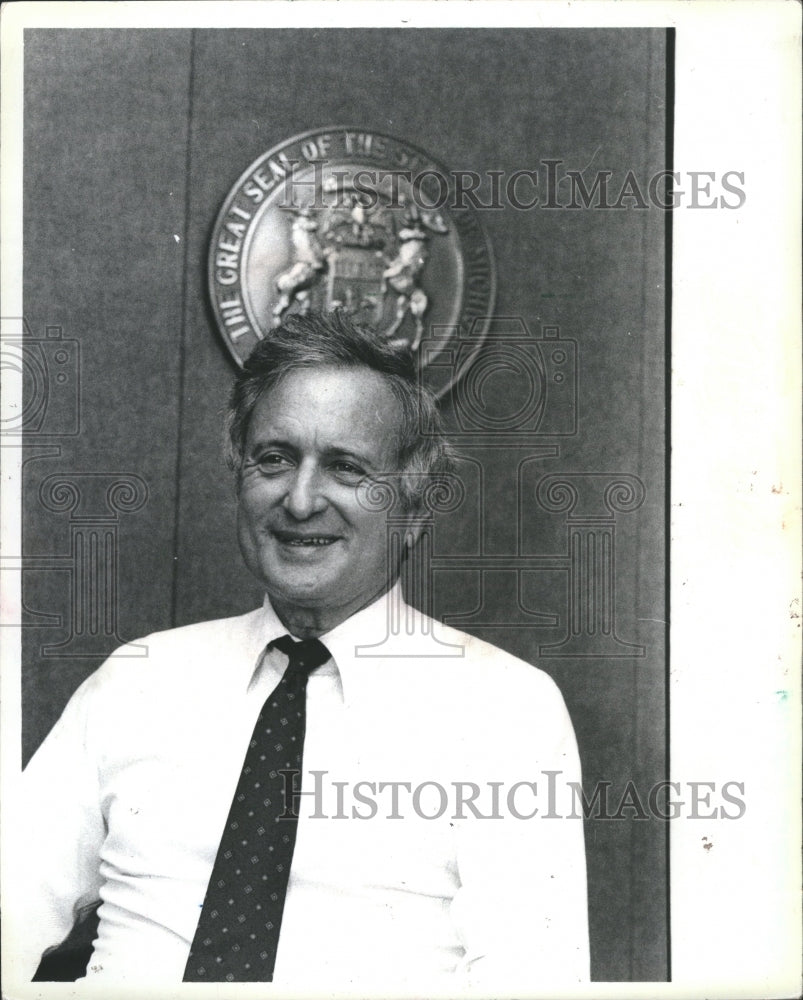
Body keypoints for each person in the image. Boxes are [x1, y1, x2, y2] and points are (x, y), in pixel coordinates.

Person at [15, 311, 589, 992]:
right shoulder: (138, 678)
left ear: (416, 508)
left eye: (345, 467)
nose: (300, 498)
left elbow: (528, 979)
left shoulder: (505, 709)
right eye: (274, 458)